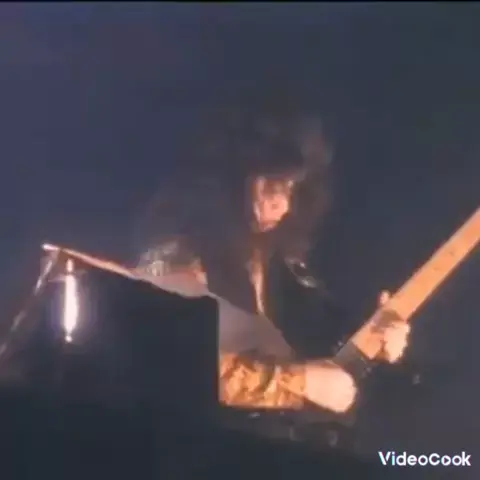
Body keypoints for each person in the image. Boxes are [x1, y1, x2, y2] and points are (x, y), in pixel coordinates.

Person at [134, 105, 411, 416]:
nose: (284, 204)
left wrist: (376, 344)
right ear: (232, 180)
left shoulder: (285, 269)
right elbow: (165, 361)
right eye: (272, 186)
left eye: (291, 188)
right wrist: (299, 383)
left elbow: (331, 370)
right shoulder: (178, 252)